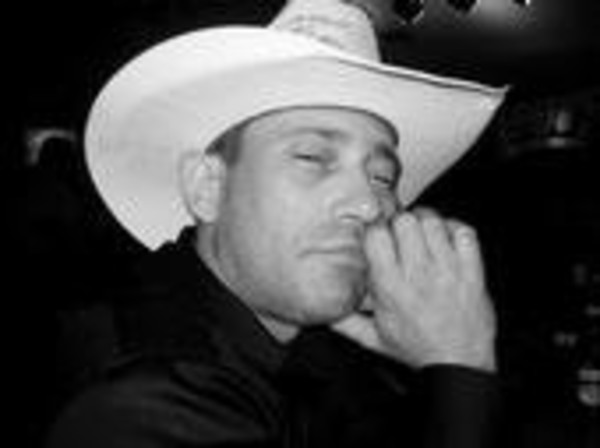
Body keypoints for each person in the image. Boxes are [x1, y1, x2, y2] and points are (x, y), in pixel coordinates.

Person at [45, 0, 507, 446]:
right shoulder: (139, 405)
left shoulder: (321, 351)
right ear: (207, 187)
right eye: (312, 157)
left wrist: (422, 368)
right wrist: (460, 366)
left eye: (383, 177)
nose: (370, 205)